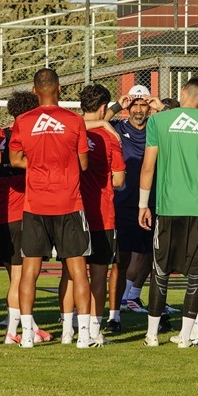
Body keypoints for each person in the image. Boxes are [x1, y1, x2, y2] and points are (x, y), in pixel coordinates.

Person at [137, 76, 198, 348]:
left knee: (161, 271)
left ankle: (152, 335)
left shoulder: (158, 121)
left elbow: (148, 167)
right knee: (196, 273)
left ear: (182, 92)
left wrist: (142, 204)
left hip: (168, 207)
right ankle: (185, 337)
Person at [9, 68, 93, 349]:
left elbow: (16, 159)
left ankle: (28, 336)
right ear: (60, 89)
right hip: (69, 203)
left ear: (34, 91)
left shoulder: (22, 121)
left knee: (29, 271)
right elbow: (83, 164)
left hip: (35, 205)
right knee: (78, 270)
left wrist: (38, 166)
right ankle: (83, 336)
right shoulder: (75, 120)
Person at [0, 91, 53, 345]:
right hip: (24, 211)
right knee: (22, 277)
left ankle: (29, 326)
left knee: (15, 277)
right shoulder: (32, 133)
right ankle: (13, 333)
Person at [75, 84, 126, 345]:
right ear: (104, 107)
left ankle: (68, 326)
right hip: (102, 215)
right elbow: (118, 180)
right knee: (98, 275)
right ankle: (94, 329)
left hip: (73, 212)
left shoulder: (71, 130)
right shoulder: (109, 138)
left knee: (71, 273)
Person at [110, 85, 161, 320]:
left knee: (153, 255)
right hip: (123, 203)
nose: (139, 109)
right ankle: (115, 309)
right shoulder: (117, 128)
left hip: (154, 202)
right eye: (134, 105)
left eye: (143, 105)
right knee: (121, 259)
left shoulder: (158, 128)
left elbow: (179, 117)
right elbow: (94, 121)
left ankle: (133, 296)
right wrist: (118, 104)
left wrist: (160, 107)